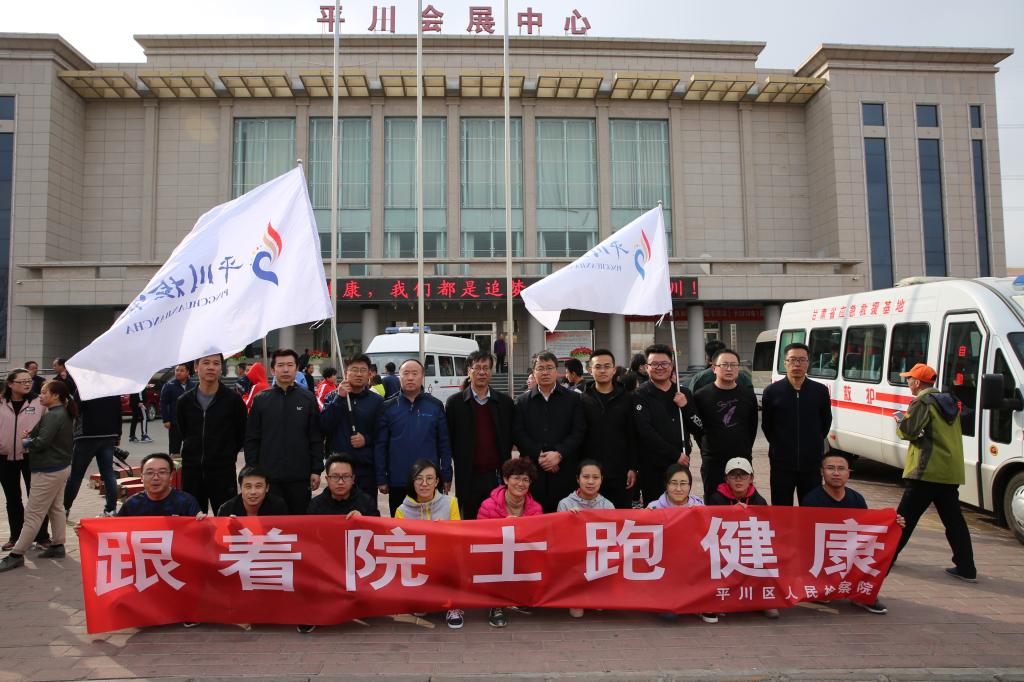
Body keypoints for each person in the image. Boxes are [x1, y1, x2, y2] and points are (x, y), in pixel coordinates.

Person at [891, 363, 977, 582]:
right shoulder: (950, 401)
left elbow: (909, 431)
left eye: (909, 379)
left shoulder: (922, 402)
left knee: (903, 519)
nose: (907, 382)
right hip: (949, 471)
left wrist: (900, 422)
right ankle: (966, 567)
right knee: (954, 521)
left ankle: (886, 558)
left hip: (926, 470)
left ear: (917, 382)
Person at [801, 452, 907, 615]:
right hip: (823, 553)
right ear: (822, 471)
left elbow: (867, 529)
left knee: (882, 550)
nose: (836, 473)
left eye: (841, 468)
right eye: (830, 468)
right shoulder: (811, 500)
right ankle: (821, 587)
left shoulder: (856, 499)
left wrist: (893, 524)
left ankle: (862, 594)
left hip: (850, 551)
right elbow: (805, 537)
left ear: (849, 472)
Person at [0, 380, 76, 572]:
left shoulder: (54, 415)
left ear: (55, 396)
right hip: (60, 467)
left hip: (48, 470)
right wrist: (32, 437)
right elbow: (45, 437)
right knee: (56, 508)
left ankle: (17, 554)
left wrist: (27, 442)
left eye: (44, 392)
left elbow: (41, 443)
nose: (40, 395)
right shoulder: (62, 412)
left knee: (33, 513)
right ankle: (58, 544)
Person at [244, 349, 323, 515]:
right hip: (269, 477)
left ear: (297, 368)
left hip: (300, 477)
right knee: (271, 524)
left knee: (299, 523)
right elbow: (252, 439)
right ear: (273, 370)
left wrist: (316, 470)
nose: (285, 369)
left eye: (290, 365)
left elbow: (315, 437)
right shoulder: (261, 399)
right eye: (280, 365)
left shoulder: (308, 399)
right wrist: (253, 470)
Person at [375, 359, 452, 515]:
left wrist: (446, 475)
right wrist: (381, 478)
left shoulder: (435, 405)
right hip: (398, 480)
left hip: (429, 481)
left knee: (431, 525)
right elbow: (381, 445)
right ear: (400, 376)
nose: (410, 377)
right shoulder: (388, 407)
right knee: (400, 526)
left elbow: (444, 443)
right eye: (406, 373)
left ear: (422, 376)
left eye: (415, 373)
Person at [513, 351, 586, 513]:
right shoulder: (522, 402)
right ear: (533, 372)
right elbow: (518, 433)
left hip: (565, 469)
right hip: (533, 472)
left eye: (549, 368)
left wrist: (559, 454)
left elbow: (578, 432)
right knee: (536, 519)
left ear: (556, 371)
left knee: (565, 519)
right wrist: (540, 455)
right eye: (540, 368)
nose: (545, 372)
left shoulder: (573, 399)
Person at [445, 350, 514, 519]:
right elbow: (448, 440)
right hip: (468, 475)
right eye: (477, 368)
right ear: (469, 371)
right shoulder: (455, 403)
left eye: (486, 368)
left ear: (491, 371)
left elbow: (512, 435)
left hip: (497, 476)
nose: (482, 372)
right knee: (469, 522)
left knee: (497, 520)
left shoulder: (504, 403)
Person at [705, 457, 777, 620]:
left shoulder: (759, 501)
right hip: (726, 546)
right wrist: (734, 512)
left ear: (751, 478)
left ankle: (764, 600)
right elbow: (714, 527)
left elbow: (766, 529)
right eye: (733, 475)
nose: (738, 479)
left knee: (767, 556)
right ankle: (722, 597)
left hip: (750, 546)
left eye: (743, 475)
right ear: (726, 479)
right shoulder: (716, 498)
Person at [394, 459, 464, 628]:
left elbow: (459, 534)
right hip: (418, 559)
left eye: (429, 478)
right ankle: (421, 599)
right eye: (419, 479)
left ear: (437, 481)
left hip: (444, 556)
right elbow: (399, 544)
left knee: (456, 558)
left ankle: (453, 605)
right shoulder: (401, 510)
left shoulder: (451, 502)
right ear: (412, 482)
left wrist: (444, 531)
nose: (424, 484)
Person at [761, 342, 833, 505]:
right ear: (785, 363)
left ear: (808, 363)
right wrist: (780, 444)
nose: (797, 364)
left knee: (810, 508)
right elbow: (767, 426)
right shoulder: (772, 392)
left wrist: (812, 443)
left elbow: (825, 423)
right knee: (781, 508)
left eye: (802, 360)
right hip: (781, 463)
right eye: (792, 360)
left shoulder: (820, 391)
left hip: (811, 463)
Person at [476, 457, 544, 628]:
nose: (521, 483)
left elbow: (538, 539)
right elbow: (479, 536)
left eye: (525, 480)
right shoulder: (488, 506)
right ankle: (496, 605)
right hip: (495, 556)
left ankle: (519, 596)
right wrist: (503, 528)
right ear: (506, 479)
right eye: (516, 478)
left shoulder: (536, 508)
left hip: (522, 554)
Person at [632, 344, 701, 507]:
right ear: (646, 367)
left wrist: (686, 407)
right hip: (652, 465)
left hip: (680, 464)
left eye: (664, 363)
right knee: (655, 509)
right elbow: (645, 431)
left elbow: (698, 427)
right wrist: (674, 454)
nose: (659, 368)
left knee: (680, 508)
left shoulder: (683, 393)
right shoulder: (639, 395)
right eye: (654, 364)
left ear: (672, 366)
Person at [178, 353, 248, 514]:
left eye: (216, 363)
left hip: (222, 470)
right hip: (192, 470)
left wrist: (226, 454)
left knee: (226, 518)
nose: (211, 367)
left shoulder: (233, 400)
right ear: (196, 367)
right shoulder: (184, 401)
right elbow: (184, 432)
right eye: (206, 363)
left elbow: (241, 434)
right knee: (193, 518)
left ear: (221, 368)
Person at [692, 348, 758, 497]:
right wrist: (707, 448)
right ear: (714, 368)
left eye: (733, 365)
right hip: (713, 460)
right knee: (713, 501)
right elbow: (697, 430)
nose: (729, 369)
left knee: (742, 501)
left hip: (741, 458)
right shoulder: (701, 396)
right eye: (724, 365)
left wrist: (745, 447)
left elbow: (752, 427)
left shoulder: (748, 395)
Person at [320, 355, 384, 499]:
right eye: (354, 370)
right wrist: (340, 398)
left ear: (370, 374)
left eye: (363, 370)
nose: (359, 374)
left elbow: (382, 434)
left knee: (366, 509)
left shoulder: (377, 401)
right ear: (346, 373)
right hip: (339, 469)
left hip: (365, 470)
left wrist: (366, 439)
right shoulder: (333, 397)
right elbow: (324, 426)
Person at [580, 349, 637, 509]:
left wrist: (633, 467)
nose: (603, 370)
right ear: (590, 370)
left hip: (620, 471)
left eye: (607, 366)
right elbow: (579, 435)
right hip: (591, 473)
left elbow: (633, 435)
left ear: (614, 370)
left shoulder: (627, 398)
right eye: (598, 367)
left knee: (621, 516)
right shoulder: (582, 399)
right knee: (592, 518)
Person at [0, 369, 50, 551]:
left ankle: (42, 537)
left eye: (29, 381)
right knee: (12, 499)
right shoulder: (1, 402)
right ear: (10, 384)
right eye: (22, 381)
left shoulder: (39, 402)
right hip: (4, 457)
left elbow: (49, 426)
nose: (27, 384)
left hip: (32, 456)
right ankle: (16, 537)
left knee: (36, 499)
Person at [63, 394, 122, 518]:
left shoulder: (84, 387)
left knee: (76, 475)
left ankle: (65, 508)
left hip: (86, 435)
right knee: (108, 474)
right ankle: (110, 510)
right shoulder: (113, 389)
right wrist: (118, 434)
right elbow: (118, 412)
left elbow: (75, 409)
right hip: (109, 435)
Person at [117, 452, 200, 517]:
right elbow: (118, 528)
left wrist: (202, 522)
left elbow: (197, 531)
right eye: (150, 473)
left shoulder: (186, 502)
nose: (156, 478)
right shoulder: (132, 503)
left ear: (171, 476)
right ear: (142, 477)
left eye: (162, 472)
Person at [307, 454, 380, 517]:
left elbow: (376, 526)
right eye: (335, 477)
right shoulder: (316, 505)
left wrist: (363, 519)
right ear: (327, 479)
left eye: (346, 476)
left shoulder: (367, 503)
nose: (340, 482)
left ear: (353, 479)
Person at [216, 465, 289, 517]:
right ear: (241, 488)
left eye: (258, 486)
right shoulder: (226, 509)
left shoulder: (278, 506)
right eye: (248, 486)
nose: (253, 492)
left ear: (267, 488)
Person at [688, 340, 753, 393]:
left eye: (734, 364)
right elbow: (751, 395)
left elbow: (691, 399)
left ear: (707, 357)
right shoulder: (743, 377)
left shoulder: (700, 378)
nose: (729, 369)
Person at [160, 364, 194, 457]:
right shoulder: (169, 386)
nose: (178, 372)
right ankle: (174, 465)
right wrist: (166, 420)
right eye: (177, 370)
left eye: (181, 370)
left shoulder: (193, 386)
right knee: (174, 449)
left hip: (190, 422)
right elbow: (163, 403)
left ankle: (188, 464)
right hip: (175, 422)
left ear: (187, 372)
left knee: (191, 447)